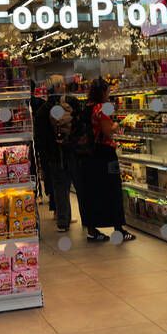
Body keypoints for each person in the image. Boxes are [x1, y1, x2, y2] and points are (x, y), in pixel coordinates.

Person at [77, 77, 135, 243]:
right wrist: (118, 124)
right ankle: (119, 230)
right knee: (113, 190)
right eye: (108, 91)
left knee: (92, 192)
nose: (109, 94)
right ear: (102, 92)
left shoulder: (86, 107)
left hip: (88, 156)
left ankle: (92, 230)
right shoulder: (102, 108)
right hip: (105, 154)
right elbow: (108, 132)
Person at [33, 75, 81, 231]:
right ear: (59, 87)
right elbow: (81, 126)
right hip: (72, 152)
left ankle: (62, 221)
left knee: (60, 188)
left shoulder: (43, 110)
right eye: (63, 84)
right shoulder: (72, 103)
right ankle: (89, 221)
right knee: (80, 187)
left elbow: (39, 136)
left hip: (54, 155)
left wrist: (44, 155)